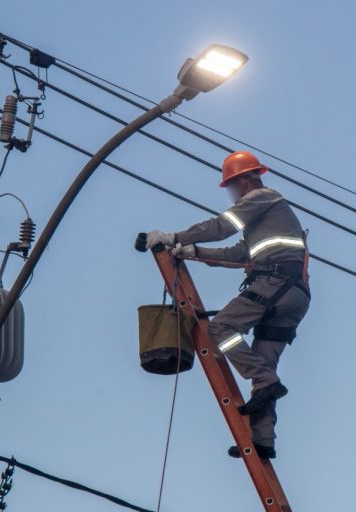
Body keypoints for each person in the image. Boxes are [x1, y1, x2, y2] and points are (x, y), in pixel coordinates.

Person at [146, 150, 311, 459]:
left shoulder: (264, 197)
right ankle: (264, 441)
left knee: (222, 327)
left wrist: (173, 236)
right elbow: (239, 255)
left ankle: (265, 381)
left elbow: (223, 225)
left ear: (246, 181)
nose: (232, 195)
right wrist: (194, 252)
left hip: (276, 284)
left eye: (232, 187)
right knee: (264, 368)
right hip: (293, 294)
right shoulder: (264, 217)